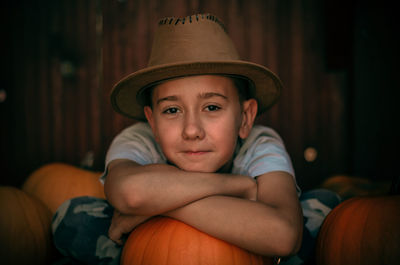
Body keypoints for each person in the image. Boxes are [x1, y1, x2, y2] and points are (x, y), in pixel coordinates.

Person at [52, 13, 341, 265]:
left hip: (249, 247)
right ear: (151, 121)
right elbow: (129, 193)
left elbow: (283, 236)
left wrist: (153, 209)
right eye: (172, 110)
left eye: (212, 107)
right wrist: (237, 187)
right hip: (155, 248)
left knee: (325, 211)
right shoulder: (137, 140)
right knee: (73, 217)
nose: (192, 130)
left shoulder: (260, 144)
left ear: (245, 117)